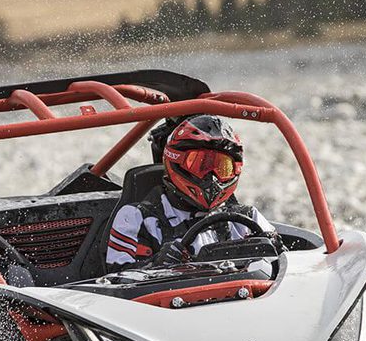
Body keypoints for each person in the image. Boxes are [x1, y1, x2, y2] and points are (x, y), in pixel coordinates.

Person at [105, 115, 274, 269]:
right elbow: (113, 281)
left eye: (222, 167)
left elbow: (289, 269)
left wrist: (276, 248)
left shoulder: (248, 219)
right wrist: (154, 265)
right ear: (176, 161)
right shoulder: (136, 218)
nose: (211, 178)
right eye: (201, 165)